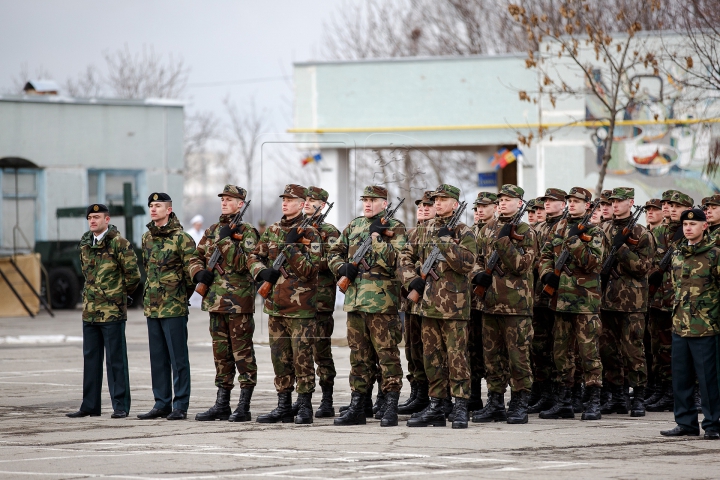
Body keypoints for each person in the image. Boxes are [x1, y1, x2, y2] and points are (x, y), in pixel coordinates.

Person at [329, 185, 406, 427]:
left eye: (373, 200)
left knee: (387, 356)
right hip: (355, 302)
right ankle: (358, 404)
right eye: (365, 200)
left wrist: (378, 239)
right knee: (359, 357)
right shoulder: (353, 226)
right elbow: (334, 252)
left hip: (382, 303)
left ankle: (390, 403)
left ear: (384, 203)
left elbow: (399, 261)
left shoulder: (395, 228)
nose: (368, 204)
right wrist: (342, 268)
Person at [400, 184, 476, 429]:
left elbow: (466, 264)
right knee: (432, 358)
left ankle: (461, 405)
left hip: (454, 305)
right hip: (427, 305)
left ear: (455, 204)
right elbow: (404, 256)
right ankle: (436, 405)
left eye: (443, 200)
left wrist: (445, 242)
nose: (437, 203)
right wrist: (411, 278)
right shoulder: (424, 230)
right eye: (435, 200)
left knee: (457, 357)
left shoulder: (464, 232)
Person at [248, 184, 321, 425]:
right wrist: (262, 272)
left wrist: (292, 248)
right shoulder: (272, 230)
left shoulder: (310, 233)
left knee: (302, 358)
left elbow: (311, 270)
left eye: (290, 200)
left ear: (302, 204)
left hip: (301, 309)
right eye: (284, 199)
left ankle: (305, 406)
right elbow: (253, 256)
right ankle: (283, 405)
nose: (285, 203)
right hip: (275, 307)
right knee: (280, 358)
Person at [189, 185, 260, 423]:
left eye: (230, 199)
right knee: (221, 355)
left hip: (238, 303)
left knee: (242, 354)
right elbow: (196, 256)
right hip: (215, 302)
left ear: (241, 204)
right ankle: (222, 404)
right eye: (223, 198)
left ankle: (244, 405)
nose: (224, 202)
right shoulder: (212, 230)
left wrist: (228, 242)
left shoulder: (247, 232)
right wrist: (198, 273)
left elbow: (245, 264)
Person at [67, 204, 140, 419]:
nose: (92, 221)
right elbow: (86, 274)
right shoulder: (85, 245)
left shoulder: (119, 244)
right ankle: (90, 405)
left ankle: (120, 405)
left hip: (112, 311)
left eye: (96, 217)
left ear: (107, 220)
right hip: (90, 310)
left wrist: (117, 296)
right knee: (91, 359)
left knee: (115, 361)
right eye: (90, 217)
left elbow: (133, 276)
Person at [471, 184, 536, 425]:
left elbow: (521, 266)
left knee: (518, 357)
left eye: (509, 199)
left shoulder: (526, 231)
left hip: (516, 306)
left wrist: (504, 241)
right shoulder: (486, 230)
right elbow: (474, 259)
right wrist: (479, 275)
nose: (503, 203)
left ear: (520, 203)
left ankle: (519, 402)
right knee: (492, 358)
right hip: (490, 303)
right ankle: (495, 402)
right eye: (500, 199)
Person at [538, 187, 604, 421]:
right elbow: (546, 255)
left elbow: (593, 263)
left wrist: (575, 241)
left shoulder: (595, 231)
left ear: (588, 205)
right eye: (570, 201)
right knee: (561, 353)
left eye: (577, 201)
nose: (572, 204)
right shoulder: (559, 227)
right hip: (561, 301)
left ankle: (593, 400)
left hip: (585, 301)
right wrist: (547, 274)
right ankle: (564, 401)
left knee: (589, 353)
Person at [661, 208, 720, 440]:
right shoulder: (677, 254)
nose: (688, 228)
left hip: (706, 326)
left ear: (704, 227)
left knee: (708, 379)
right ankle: (685, 422)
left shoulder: (714, 254)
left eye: (693, 224)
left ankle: (713, 424)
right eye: (685, 224)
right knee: (681, 377)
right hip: (680, 324)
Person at [137, 193, 196, 420]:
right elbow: (147, 270)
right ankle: (161, 403)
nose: (153, 209)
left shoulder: (182, 238)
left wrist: (179, 295)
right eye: (151, 205)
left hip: (174, 306)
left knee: (178, 358)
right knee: (158, 358)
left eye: (158, 205)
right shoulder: (147, 238)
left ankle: (180, 405)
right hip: (152, 307)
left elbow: (191, 275)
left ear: (169, 210)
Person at [598, 188, 654, 417]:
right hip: (606, 300)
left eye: (620, 201)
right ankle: (618, 396)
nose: (615, 205)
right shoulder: (602, 229)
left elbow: (643, 268)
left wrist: (621, 248)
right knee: (608, 351)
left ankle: (639, 396)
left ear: (631, 202)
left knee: (633, 350)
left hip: (632, 301)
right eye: (612, 202)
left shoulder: (641, 233)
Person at [646, 190, 693, 412]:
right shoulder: (660, 231)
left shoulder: (691, 232)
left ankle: (691, 392)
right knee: (659, 348)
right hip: (659, 299)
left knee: (684, 350)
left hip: (681, 301)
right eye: (668, 205)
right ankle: (663, 391)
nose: (671, 209)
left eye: (676, 206)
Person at [302, 186, 341, 418]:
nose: (307, 202)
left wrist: (311, 254)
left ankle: (327, 399)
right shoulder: (296, 228)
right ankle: (302, 398)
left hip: (321, 301)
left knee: (321, 352)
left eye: (313, 200)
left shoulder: (330, 232)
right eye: (305, 199)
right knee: (299, 352)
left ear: (323, 205)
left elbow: (334, 261)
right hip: (298, 302)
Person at [528, 188, 567, 414]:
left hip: (563, 297)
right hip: (539, 294)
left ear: (562, 204)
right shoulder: (539, 229)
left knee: (560, 348)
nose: (547, 204)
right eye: (546, 201)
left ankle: (560, 394)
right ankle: (543, 392)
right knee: (540, 347)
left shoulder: (565, 227)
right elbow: (536, 257)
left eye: (552, 201)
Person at [397, 190, 435, 415]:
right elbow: (402, 261)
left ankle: (434, 396)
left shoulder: (444, 233)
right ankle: (418, 393)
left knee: (432, 352)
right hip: (412, 300)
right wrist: (412, 280)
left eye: (428, 206)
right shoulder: (412, 233)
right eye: (420, 206)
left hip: (434, 302)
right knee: (413, 349)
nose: (423, 209)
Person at [465, 191, 497, 414]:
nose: (479, 210)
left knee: (492, 351)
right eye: (477, 207)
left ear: (495, 207)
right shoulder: (471, 231)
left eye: (484, 206)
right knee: (472, 350)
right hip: (471, 300)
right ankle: (474, 395)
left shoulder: (500, 231)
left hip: (493, 299)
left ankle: (496, 400)